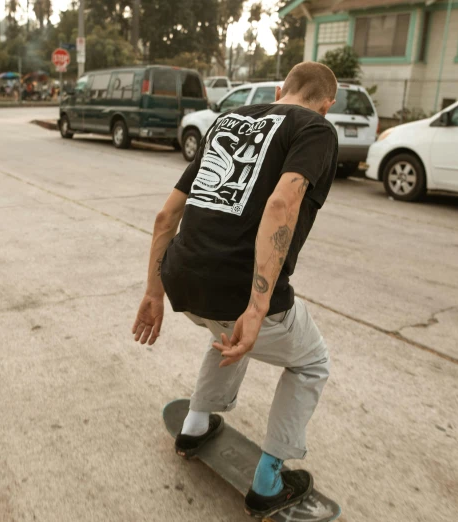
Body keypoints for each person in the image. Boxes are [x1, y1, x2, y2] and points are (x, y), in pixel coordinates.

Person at [132, 62, 339, 518]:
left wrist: (153, 291)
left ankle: (194, 425)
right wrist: (258, 304)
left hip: (181, 280)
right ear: (328, 105)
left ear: (281, 88)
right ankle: (268, 481)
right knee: (310, 362)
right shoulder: (316, 129)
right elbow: (282, 203)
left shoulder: (229, 120)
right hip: (237, 291)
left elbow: (166, 217)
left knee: (225, 333)